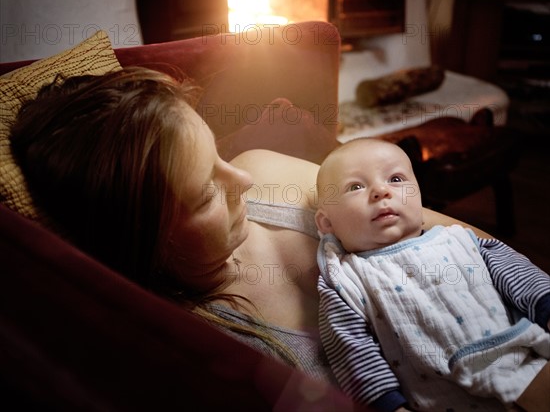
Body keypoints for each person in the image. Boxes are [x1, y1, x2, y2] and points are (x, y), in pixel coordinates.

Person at [9, 67, 550, 402]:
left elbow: (460, 242)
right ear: (145, 241)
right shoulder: (205, 340)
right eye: (204, 194)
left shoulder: (263, 173)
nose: (239, 178)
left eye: (217, 153)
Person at [315, 137, 550, 411]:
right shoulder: (345, 280)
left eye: (395, 179)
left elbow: (521, 276)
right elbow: (350, 349)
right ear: (327, 223)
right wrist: (386, 403)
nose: (380, 191)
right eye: (355, 186)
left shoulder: (462, 240)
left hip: (519, 361)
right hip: (438, 399)